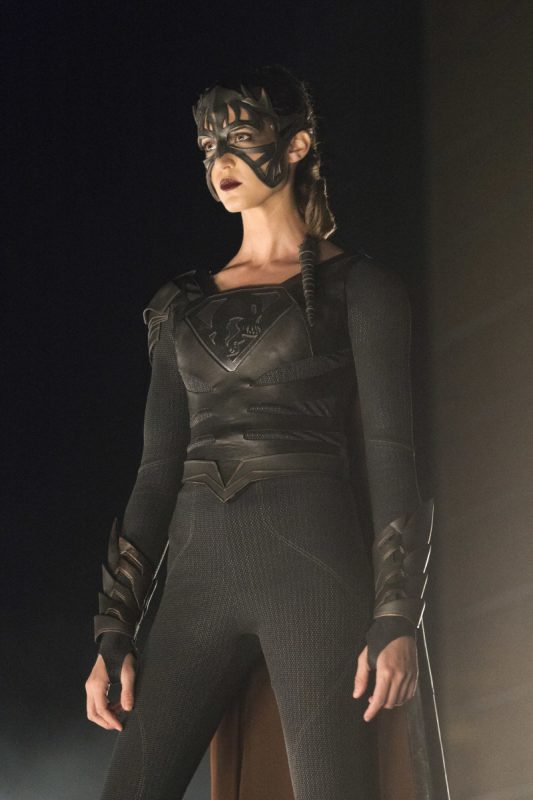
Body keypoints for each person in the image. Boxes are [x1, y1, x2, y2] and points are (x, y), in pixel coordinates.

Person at [85, 64, 444, 800]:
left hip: (314, 580)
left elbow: (391, 458)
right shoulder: (177, 307)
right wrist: (113, 631)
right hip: (196, 588)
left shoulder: (362, 290)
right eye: (207, 145)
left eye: (239, 138)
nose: (218, 161)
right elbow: (156, 472)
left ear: (297, 144)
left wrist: (395, 616)